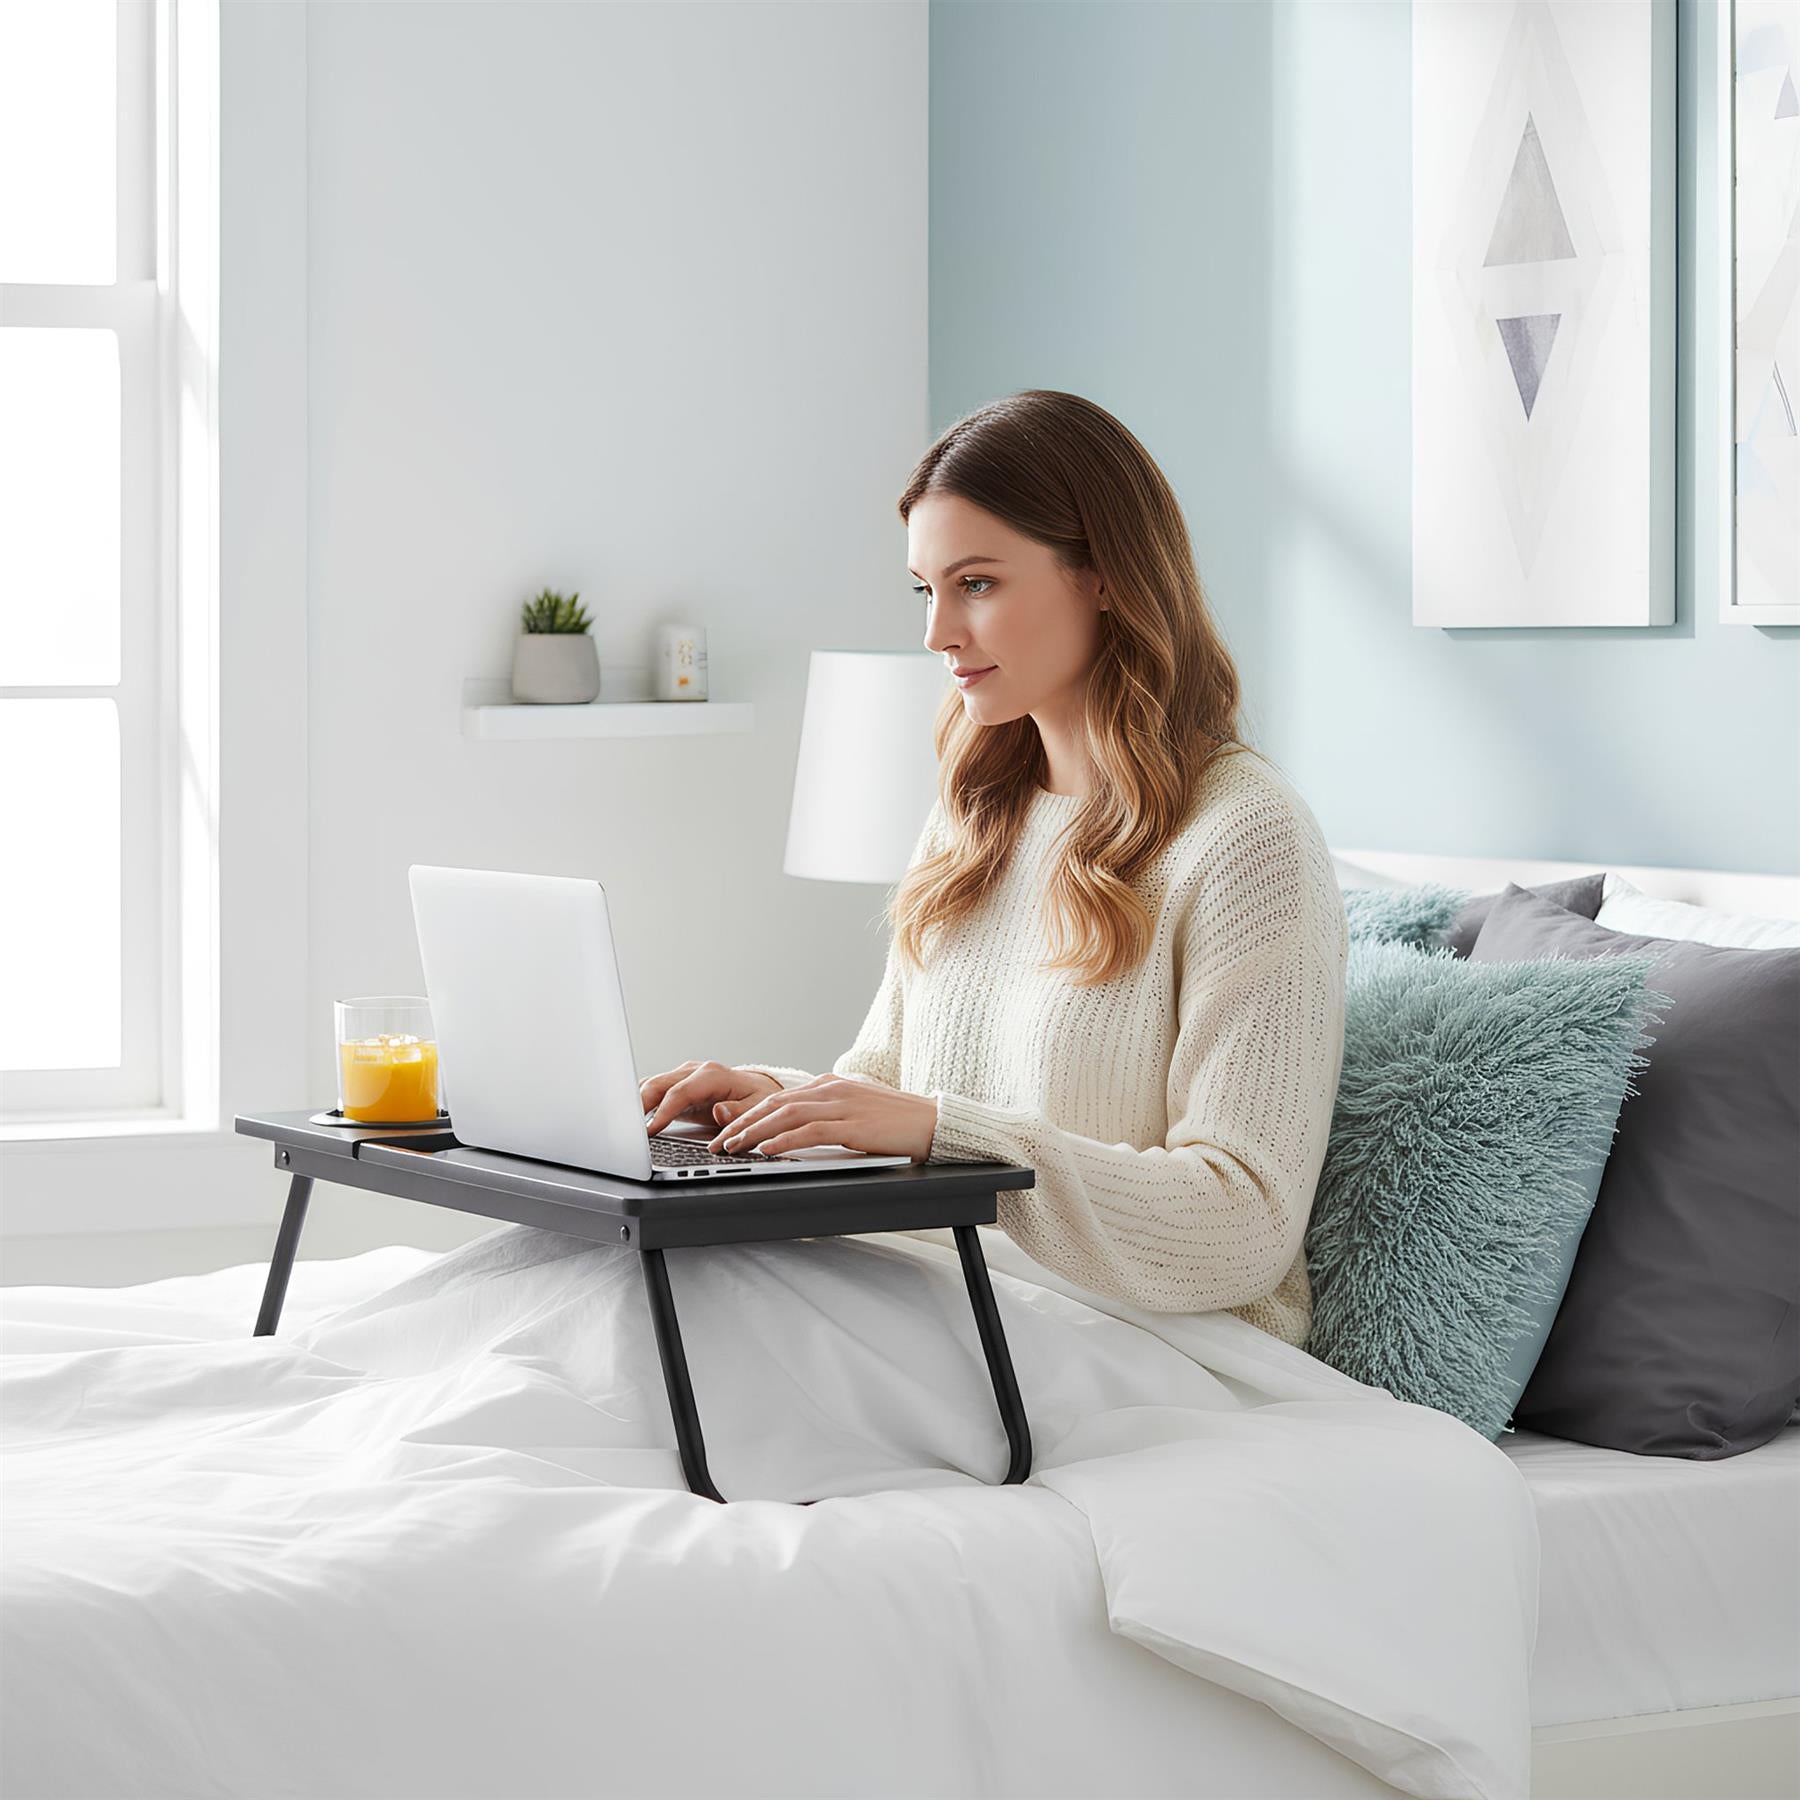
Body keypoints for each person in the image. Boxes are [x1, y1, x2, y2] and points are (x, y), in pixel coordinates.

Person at [642, 390, 1348, 1347]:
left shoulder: (1245, 839)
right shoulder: (975, 814)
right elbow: (890, 1085)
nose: (938, 633)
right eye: (925, 591)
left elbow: (1245, 1221)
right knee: (586, 1301)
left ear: (1104, 574)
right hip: (944, 1298)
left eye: (976, 584)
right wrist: (775, 1102)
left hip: (1155, 1347)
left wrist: (946, 1136)